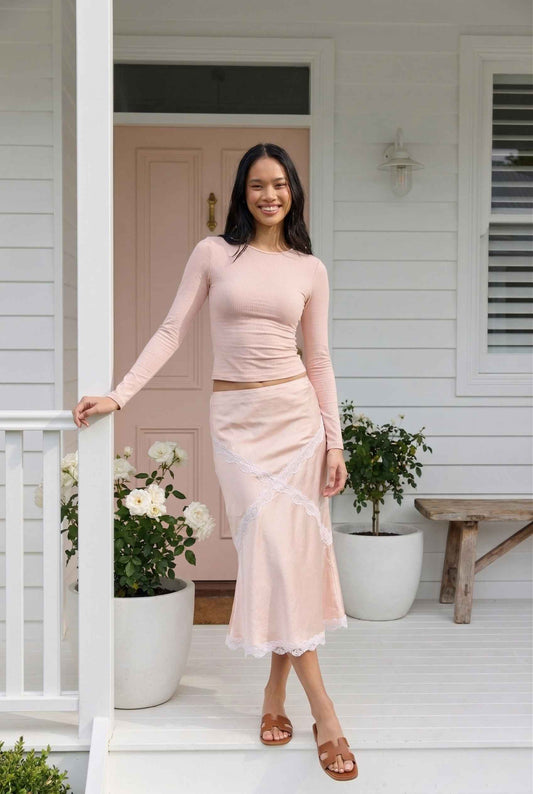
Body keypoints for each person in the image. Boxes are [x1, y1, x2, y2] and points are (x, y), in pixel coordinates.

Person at [72, 142, 357, 781]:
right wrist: (120, 394)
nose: (269, 195)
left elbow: (319, 361)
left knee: (288, 561)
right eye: (257, 185)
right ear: (241, 192)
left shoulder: (310, 268)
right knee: (273, 556)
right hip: (239, 429)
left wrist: (336, 441)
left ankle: (279, 697)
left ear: (293, 193)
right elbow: (171, 330)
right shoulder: (213, 254)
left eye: (279, 184)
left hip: (297, 424)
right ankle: (326, 712)